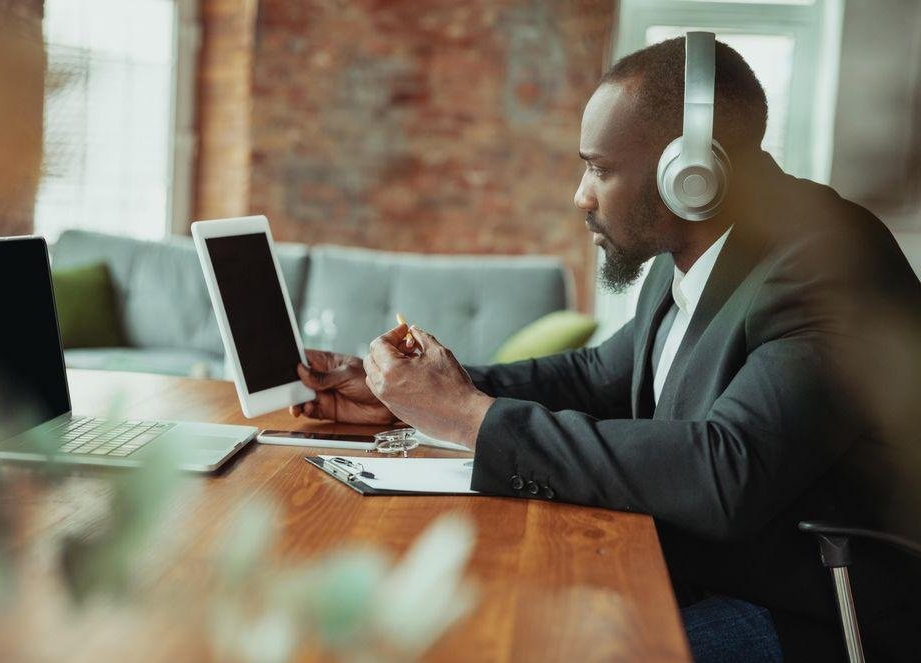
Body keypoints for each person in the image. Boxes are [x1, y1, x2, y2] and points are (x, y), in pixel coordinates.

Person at [290, 37, 921, 661]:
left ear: (691, 174)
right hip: (703, 568)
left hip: (809, 613)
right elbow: (600, 375)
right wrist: (411, 401)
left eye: (600, 167)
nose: (581, 196)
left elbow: (727, 469)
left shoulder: (829, 261)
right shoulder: (696, 252)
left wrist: (468, 418)